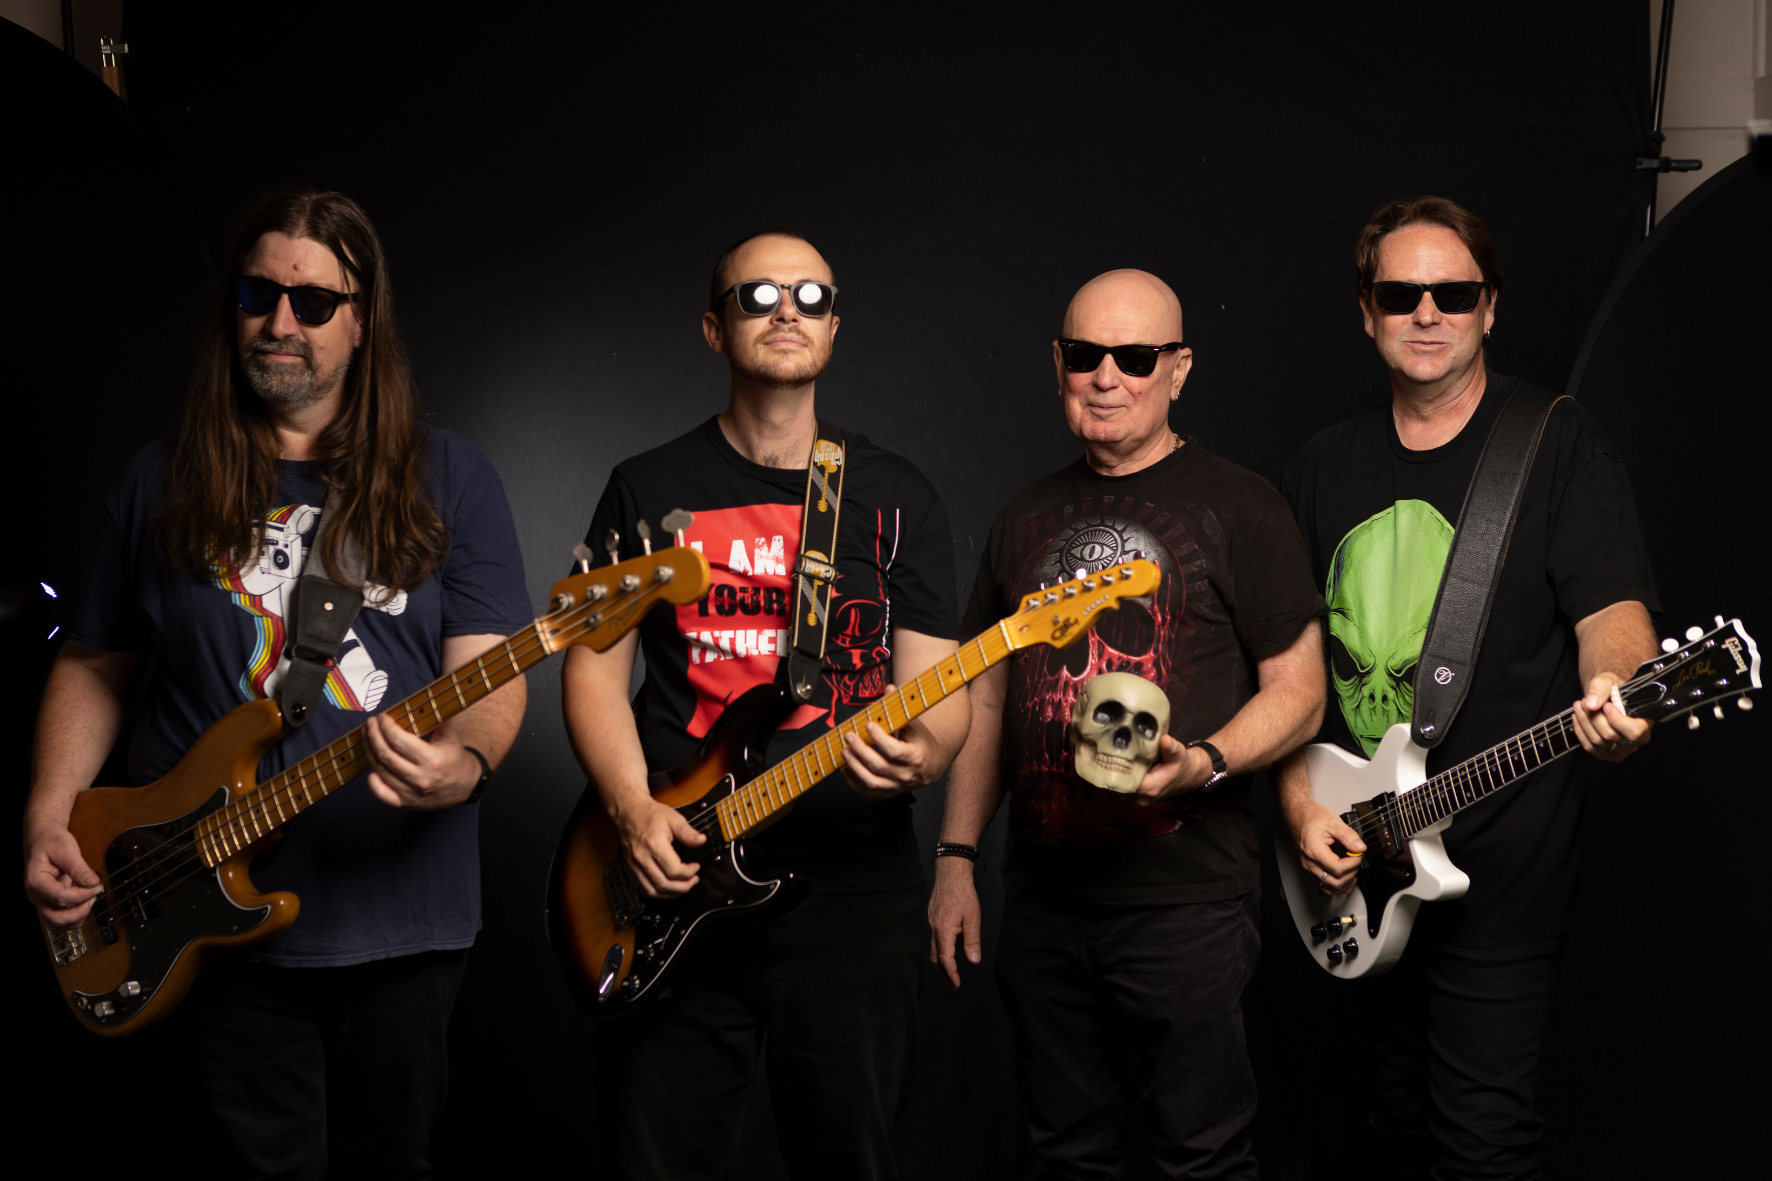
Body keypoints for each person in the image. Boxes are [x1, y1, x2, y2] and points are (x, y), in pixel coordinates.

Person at [22, 189, 532, 1179]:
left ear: (361, 320)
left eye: (313, 301)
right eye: (259, 295)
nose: (280, 321)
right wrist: (47, 815)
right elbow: (95, 661)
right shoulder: (158, 479)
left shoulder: (449, 474)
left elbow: (488, 667)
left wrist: (466, 760)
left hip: (401, 915)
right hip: (194, 914)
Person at [564, 228, 970, 1180]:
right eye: (757, 295)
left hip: (853, 894)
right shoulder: (647, 487)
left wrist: (928, 753)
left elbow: (941, 689)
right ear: (715, 328)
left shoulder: (895, 496)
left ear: (834, 328)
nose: (787, 310)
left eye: (811, 296)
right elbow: (592, 670)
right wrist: (632, 810)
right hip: (673, 879)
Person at [1278, 195, 1659, 1179]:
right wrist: (1296, 801)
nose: (1426, 311)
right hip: (1364, 853)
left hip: (1504, 871)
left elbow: (1611, 612)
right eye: (1399, 293)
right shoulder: (1319, 467)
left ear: (1489, 307)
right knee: (1398, 1123)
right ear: (1365, 311)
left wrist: (1616, 686)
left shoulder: (1557, 444)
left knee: (1482, 1145)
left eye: (1453, 292)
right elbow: (1281, 668)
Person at [929, 269, 1328, 1179]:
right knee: (1067, 1154)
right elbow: (987, 699)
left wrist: (1207, 762)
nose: (1107, 376)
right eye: (1085, 354)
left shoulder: (1243, 504)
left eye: (1136, 357)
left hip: (1186, 905)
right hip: (1043, 904)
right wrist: (954, 859)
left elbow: (1301, 691)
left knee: (1203, 1157)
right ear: (1058, 365)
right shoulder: (1023, 515)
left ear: (1178, 370)